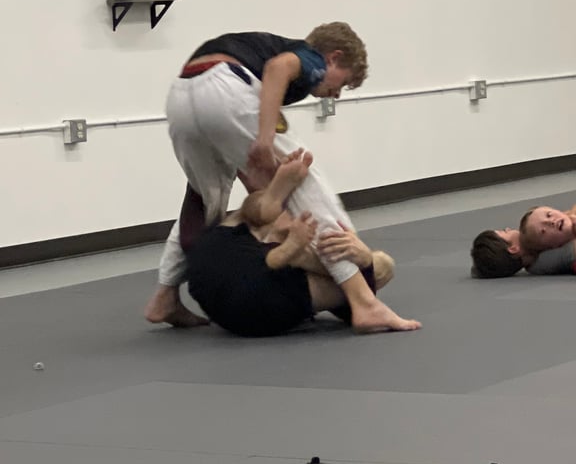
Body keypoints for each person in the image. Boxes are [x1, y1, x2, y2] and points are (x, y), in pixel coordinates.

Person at [145, 23, 421, 333]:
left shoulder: (266, 53)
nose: (337, 94)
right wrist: (264, 138)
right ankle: (364, 302)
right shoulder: (311, 57)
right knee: (309, 185)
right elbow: (278, 68)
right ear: (333, 58)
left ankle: (164, 295)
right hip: (227, 87)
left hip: (182, 95)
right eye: (343, 83)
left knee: (204, 199)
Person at [185, 150, 398, 337]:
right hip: (237, 286)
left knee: (378, 264)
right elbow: (353, 305)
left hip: (219, 280)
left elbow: (351, 305)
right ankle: (282, 221)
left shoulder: (249, 234)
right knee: (375, 266)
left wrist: (365, 260)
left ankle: (282, 223)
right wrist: (365, 263)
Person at [470, 204, 576, 278]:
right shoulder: (544, 260)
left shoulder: (538, 254)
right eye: (504, 232)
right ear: (513, 249)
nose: (508, 229)